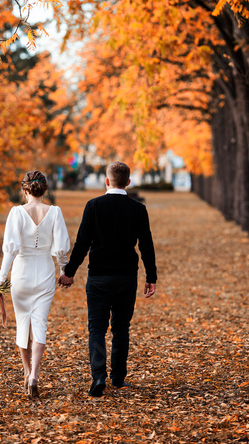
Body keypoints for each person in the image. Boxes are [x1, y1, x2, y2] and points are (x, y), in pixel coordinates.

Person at [59, 161, 157, 397]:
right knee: (121, 328)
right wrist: (151, 276)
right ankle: (119, 378)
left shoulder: (93, 206)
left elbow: (82, 243)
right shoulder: (138, 209)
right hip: (126, 278)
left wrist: (69, 273)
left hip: (99, 277)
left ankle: (99, 376)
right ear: (128, 182)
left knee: (97, 328)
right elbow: (146, 246)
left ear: (107, 181)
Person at [0, 170, 70, 398]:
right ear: (44, 190)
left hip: (22, 274)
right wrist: (64, 271)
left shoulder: (16, 213)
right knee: (40, 324)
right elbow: (61, 248)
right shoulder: (55, 212)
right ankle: (35, 374)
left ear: (25, 190)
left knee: (23, 324)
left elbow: (10, 250)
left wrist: (0, 280)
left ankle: (26, 372)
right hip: (44, 272)